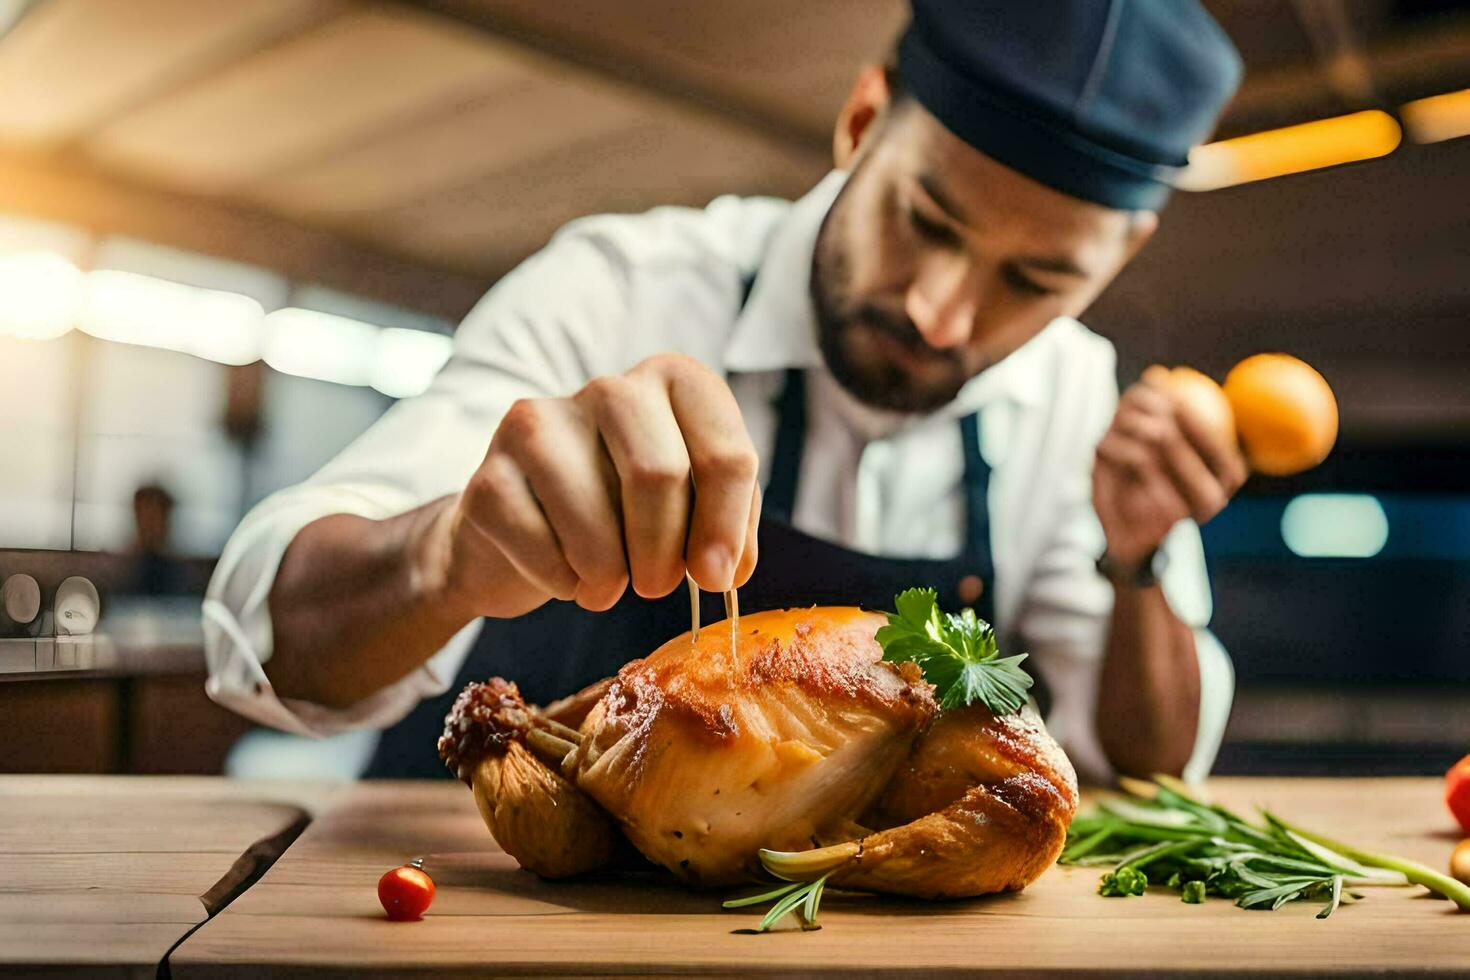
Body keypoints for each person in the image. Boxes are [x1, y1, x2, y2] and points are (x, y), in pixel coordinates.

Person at [204, 0, 1246, 782]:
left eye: (1036, 281)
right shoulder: (619, 288)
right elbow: (268, 638)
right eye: (925, 219)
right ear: (862, 120)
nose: (942, 314)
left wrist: (1139, 556)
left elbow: (1143, 775)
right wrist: (450, 551)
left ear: (1117, 259)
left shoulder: (1076, 397)